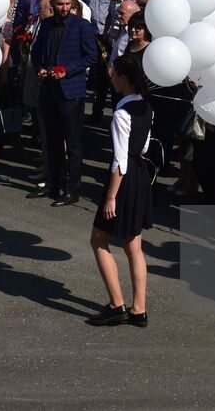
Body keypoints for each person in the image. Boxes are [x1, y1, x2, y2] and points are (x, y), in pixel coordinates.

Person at [86, 56, 154, 328]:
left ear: (124, 79)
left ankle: (117, 304)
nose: (111, 80)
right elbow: (144, 147)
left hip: (123, 181)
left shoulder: (121, 113)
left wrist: (111, 196)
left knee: (98, 240)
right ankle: (139, 309)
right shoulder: (147, 108)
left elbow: (119, 160)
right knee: (133, 245)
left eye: (114, 76)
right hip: (140, 177)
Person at [29, 0, 100, 207]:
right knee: (51, 141)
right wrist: (40, 67)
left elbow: (92, 56)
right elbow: (36, 51)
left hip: (71, 91)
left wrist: (67, 70)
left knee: (73, 143)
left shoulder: (81, 26)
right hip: (49, 90)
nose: (64, 8)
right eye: (60, 4)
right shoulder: (47, 24)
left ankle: (72, 190)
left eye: (68, 4)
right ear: (52, 4)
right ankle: (52, 184)